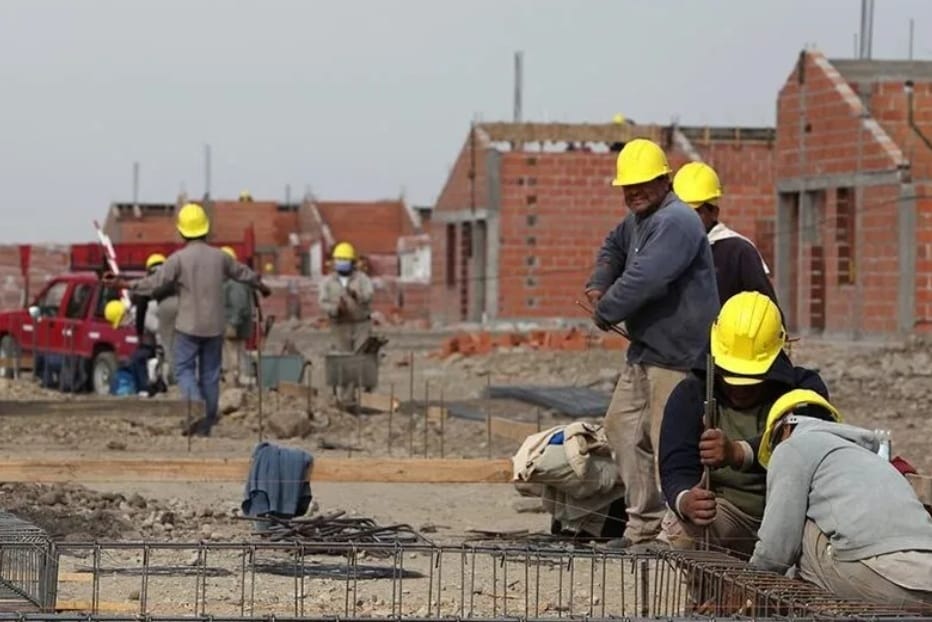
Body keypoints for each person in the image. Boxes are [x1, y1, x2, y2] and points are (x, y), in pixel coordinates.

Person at [584, 138, 720, 548]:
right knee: (621, 428)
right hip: (646, 351)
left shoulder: (677, 221)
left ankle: (675, 534)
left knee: (669, 444)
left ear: (665, 181)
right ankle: (642, 526)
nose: (634, 193)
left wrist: (607, 309)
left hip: (679, 357)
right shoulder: (638, 220)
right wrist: (598, 284)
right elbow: (612, 247)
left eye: (643, 184)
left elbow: (647, 277)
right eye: (628, 186)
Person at [659, 291, 828, 557]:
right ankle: (713, 582)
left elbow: (806, 442)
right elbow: (676, 466)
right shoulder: (691, 395)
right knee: (681, 529)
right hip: (730, 515)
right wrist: (685, 499)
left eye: (752, 378)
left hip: (793, 516)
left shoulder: (803, 390)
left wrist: (738, 452)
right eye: (731, 375)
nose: (740, 389)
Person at [750, 390, 932, 609]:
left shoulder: (793, 446)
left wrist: (748, 588)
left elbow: (776, 550)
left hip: (884, 582)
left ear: (785, 427)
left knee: (800, 525)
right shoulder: (873, 460)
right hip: (925, 579)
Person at [104, 203, 270, 436]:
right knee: (211, 374)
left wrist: (123, 283)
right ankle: (206, 424)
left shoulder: (178, 260)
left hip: (188, 327)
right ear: (206, 228)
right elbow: (244, 273)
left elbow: (153, 283)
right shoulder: (220, 257)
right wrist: (261, 286)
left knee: (183, 369)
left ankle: (195, 408)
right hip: (214, 327)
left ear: (182, 231)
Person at [672, 162, 778, 307]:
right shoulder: (664, 247)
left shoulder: (739, 252)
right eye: (681, 211)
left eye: (696, 212)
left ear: (714, 213)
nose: (686, 219)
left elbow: (767, 310)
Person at [319, 242, 374, 353]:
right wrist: (336, 309)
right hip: (339, 326)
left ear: (352, 262)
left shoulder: (362, 279)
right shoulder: (327, 282)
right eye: (339, 259)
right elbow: (323, 302)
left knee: (361, 355)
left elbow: (369, 296)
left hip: (361, 324)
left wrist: (357, 296)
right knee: (343, 356)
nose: (342, 262)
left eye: (345, 259)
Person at [220, 246, 255, 387]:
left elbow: (239, 305)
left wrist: (233, 324)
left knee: (235, 353)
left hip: (235, 325)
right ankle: (237, 379)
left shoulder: (235, 283)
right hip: (232, 323)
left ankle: (239, 379)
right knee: (234, 353)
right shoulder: (231, 280)